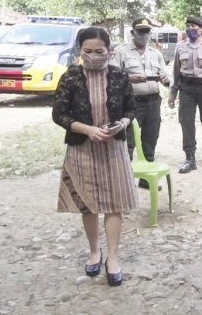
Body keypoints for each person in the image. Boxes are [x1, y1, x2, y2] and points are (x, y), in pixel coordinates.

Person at [52, 27, 138, 287]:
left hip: (113, 149)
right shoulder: (70, 77)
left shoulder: (120, 76)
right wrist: (88, 130)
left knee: (115, 203)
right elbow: (59, 115)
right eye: (87, 51)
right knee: (88, 203)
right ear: (80, 51)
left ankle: (112, 257)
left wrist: (121, 124)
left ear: (109, 51)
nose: (93, 56)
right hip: (82, 147)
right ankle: (94, 251)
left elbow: (131, 109)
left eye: (99, 51)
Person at [111, 17, 170, 190]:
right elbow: (113, 78)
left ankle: (146, 179)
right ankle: (125, 181)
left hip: (153, 102)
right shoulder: (121, 52)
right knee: (128, 141)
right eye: (140, 32)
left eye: (147, 32)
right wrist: (129, 79)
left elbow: (166, 78)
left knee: (150, 139)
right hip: (131, 103)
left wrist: (166, 80)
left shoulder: (155, 53)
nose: (144, 35)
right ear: (132, 33)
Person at [168, 16, 202, 173]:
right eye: (188, 26)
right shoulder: (181, 47)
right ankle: (190, 158)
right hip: (186, 89)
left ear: (201, 29)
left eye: (194, 26)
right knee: (186, 123)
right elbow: (176, 72)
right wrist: (172, 94)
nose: (191, 28)